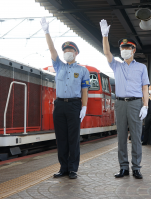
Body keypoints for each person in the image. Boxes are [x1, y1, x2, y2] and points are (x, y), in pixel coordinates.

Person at [41, 18, 90, 179]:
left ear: (76, 53)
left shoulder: (83, 71)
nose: (67, 52)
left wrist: (84, 107)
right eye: (65, 50)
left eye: (70, 50)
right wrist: (46, 32)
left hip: (75, 105)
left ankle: (73, 168)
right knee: (61, 138)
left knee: (73, 138)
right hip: (60, 105)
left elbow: (84, 90)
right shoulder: (58, 66)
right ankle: (63, 168)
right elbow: (51, 49)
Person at [100, 19, 149, 179]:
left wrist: (145, 106)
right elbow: (107, 53)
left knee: (135, 136)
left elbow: (145, 88)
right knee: (121, 137)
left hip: (135, 103)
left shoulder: (141, 67)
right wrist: (105, 35)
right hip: (120, 103)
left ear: (133, 50)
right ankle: (123, 168)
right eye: (122, 48)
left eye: (127, 48)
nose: (124, 50)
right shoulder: (116, 66)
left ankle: (136, 168)